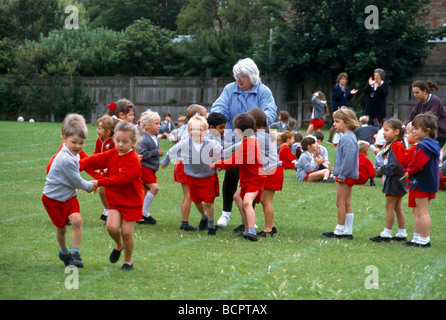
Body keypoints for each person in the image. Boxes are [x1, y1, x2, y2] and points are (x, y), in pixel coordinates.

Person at [211, 58, 277, 228]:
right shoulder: (229, 89)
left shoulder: (264, 91)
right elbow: (220, 105)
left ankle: (245, 221)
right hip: (233, 137)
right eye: (236, 76)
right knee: (231, 173)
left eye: (242, 76)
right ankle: (225, 214)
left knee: (249, 178)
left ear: (252, 77)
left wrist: (254, 124)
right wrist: (217, 114)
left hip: (254, 141)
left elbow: (269, 112)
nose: (238, 80)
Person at [80, 121, 145, 271]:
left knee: (127, 233)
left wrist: (98, 181)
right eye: (117, 140)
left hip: (132, 201)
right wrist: (79, 164)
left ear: (133, 142)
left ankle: (128, 261)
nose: (120, 144)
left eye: (125, 141)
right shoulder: (112, 153)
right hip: (115, 199)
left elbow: (121, 180)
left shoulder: (134, 160)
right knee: (111, 227)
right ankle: (119, 244)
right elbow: (96, 159)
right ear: (114, 138)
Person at [42, 114, 97, 268]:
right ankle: (64, 251)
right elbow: (76, 180)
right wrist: (89, 185)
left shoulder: (74, 154)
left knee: (77, 220)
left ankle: (75, 254)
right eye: (74, 142)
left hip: (68, 197)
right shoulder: (65, 158)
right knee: (61, 228)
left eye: (81, 143)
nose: (78, 146)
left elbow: (84, 165)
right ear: (64, 138)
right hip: (52, 199)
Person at [162, 114, 223, 235]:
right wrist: (165, 162)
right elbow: (171, 151)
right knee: (196, 201)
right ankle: (204, 216)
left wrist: (218, 164)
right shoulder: (185, 143)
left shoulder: (211, 144)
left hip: (207, 177)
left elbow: (220, 152)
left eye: (199, 130)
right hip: (191, 177)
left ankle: (211, 225)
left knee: (208, 202)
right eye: (191, 129)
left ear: (205, 131)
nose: (195, 132)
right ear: (188, 130)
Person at [210, 113, 267, 241]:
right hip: (247, 178)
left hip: (255, 178)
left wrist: (217, 164)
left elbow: (236, 161)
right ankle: (246, 228)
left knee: (247, 202)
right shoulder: (247, 141)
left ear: (238, 130)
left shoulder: (249, 143)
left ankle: (251, 231)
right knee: (237, 197)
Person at [161, 104, 209, 231]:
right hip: (186, 165)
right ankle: (185, 223)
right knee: (189, 196)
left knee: (188, 195)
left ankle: (202, 217)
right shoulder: (194, 131)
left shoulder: (184, 128)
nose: (206, 117)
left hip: (180, 164)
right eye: (205, 115)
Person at [404, 113, 441, 247]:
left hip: (423, 182)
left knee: (422, 211)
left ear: (427, 130)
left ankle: (424, 240)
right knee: (418, 211)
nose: (413, 131)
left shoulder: (424, 146)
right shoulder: (433, 144)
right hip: (428, 182)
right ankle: (416, 237)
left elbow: (418, 163)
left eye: (416, 128)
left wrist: (409, 171)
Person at [323, 107, 360, 239]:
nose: (334, 124)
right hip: (348, 174)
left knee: (340, 202)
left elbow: (349, 159)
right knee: (346, 203)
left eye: (337, 121)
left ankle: (339, 230)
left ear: (347, 122)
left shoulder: (348, 138)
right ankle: (347, 232)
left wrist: (342, 175)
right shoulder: (348, 137)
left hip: (345, 176)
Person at [370, 118, 408, 242]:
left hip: (394, 180)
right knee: (397, 207)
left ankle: (386, 233)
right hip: (399, 181)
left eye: (387, 130)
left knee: (390, 206)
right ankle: (402, 233)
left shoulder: (396, 145)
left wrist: (381, 170)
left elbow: (395, 166)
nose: (384, 133)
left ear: (396, 132)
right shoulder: (397, 144)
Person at [247, 108, 283, 237]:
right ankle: (271, 226)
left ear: (254, 123)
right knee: (264, 200)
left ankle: (268, 229)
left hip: (271, 171)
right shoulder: (270, 133)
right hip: (272, 170)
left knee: (266, 201)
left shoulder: (257, 137)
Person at [137, 110, 162, 225]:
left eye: (159, 123)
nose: (159, 126)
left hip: (151, 169)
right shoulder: (144, 139)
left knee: (144, 191)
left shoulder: (153, 137)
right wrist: (156, 152)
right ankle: (144, 213)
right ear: (147, 125)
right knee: (154, 188)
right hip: (144, 168)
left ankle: (139, 216)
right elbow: (143, 154)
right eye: (156, 123)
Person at [404, 80, 446, 149]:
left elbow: (430, 120)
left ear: (424, 91)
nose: (414, 95)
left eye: (417, 92)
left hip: (439, 133)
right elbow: (412, 116)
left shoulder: (434, 101)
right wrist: (403, 126)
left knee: (429, 152)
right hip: (428, 133)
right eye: (414, 93)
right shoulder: (420, 102)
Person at [94, 115, 118, 223]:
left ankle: (116, 214)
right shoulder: (99, 141)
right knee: (102, 192)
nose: (97, 130)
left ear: (108, 132)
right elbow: (97, 154)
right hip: (105, 173)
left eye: (100, 128)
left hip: (114, 172)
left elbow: (115, 158)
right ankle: (108, 210)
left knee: (113, 193)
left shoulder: (114, 142)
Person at [328, 72, 358, 143]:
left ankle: (342, 138)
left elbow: (347, 98)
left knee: (344, 123)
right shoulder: (335, 88)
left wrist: (351, 94)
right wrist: (341, 92)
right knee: (334, 124)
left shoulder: (347, 88)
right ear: (339, 80)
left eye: (344, 79)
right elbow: (336, 97)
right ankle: (330, 139)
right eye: (342, 79)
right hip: (336, 107)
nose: (343, 81)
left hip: (344, 108)